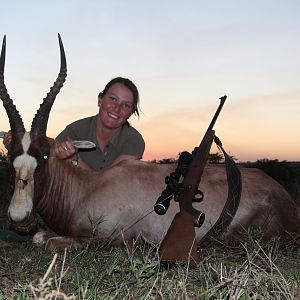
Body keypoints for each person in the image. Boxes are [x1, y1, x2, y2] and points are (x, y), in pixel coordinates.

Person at [3, 77, 145, 170]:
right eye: (113, 99)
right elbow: (43, 156)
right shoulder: (75, 130)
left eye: (126, 105)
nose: (117, 108)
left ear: (131, 113)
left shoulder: (134, 141)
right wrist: (15, 144)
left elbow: (107, 183)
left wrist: (73, 160)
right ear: (100, 100)